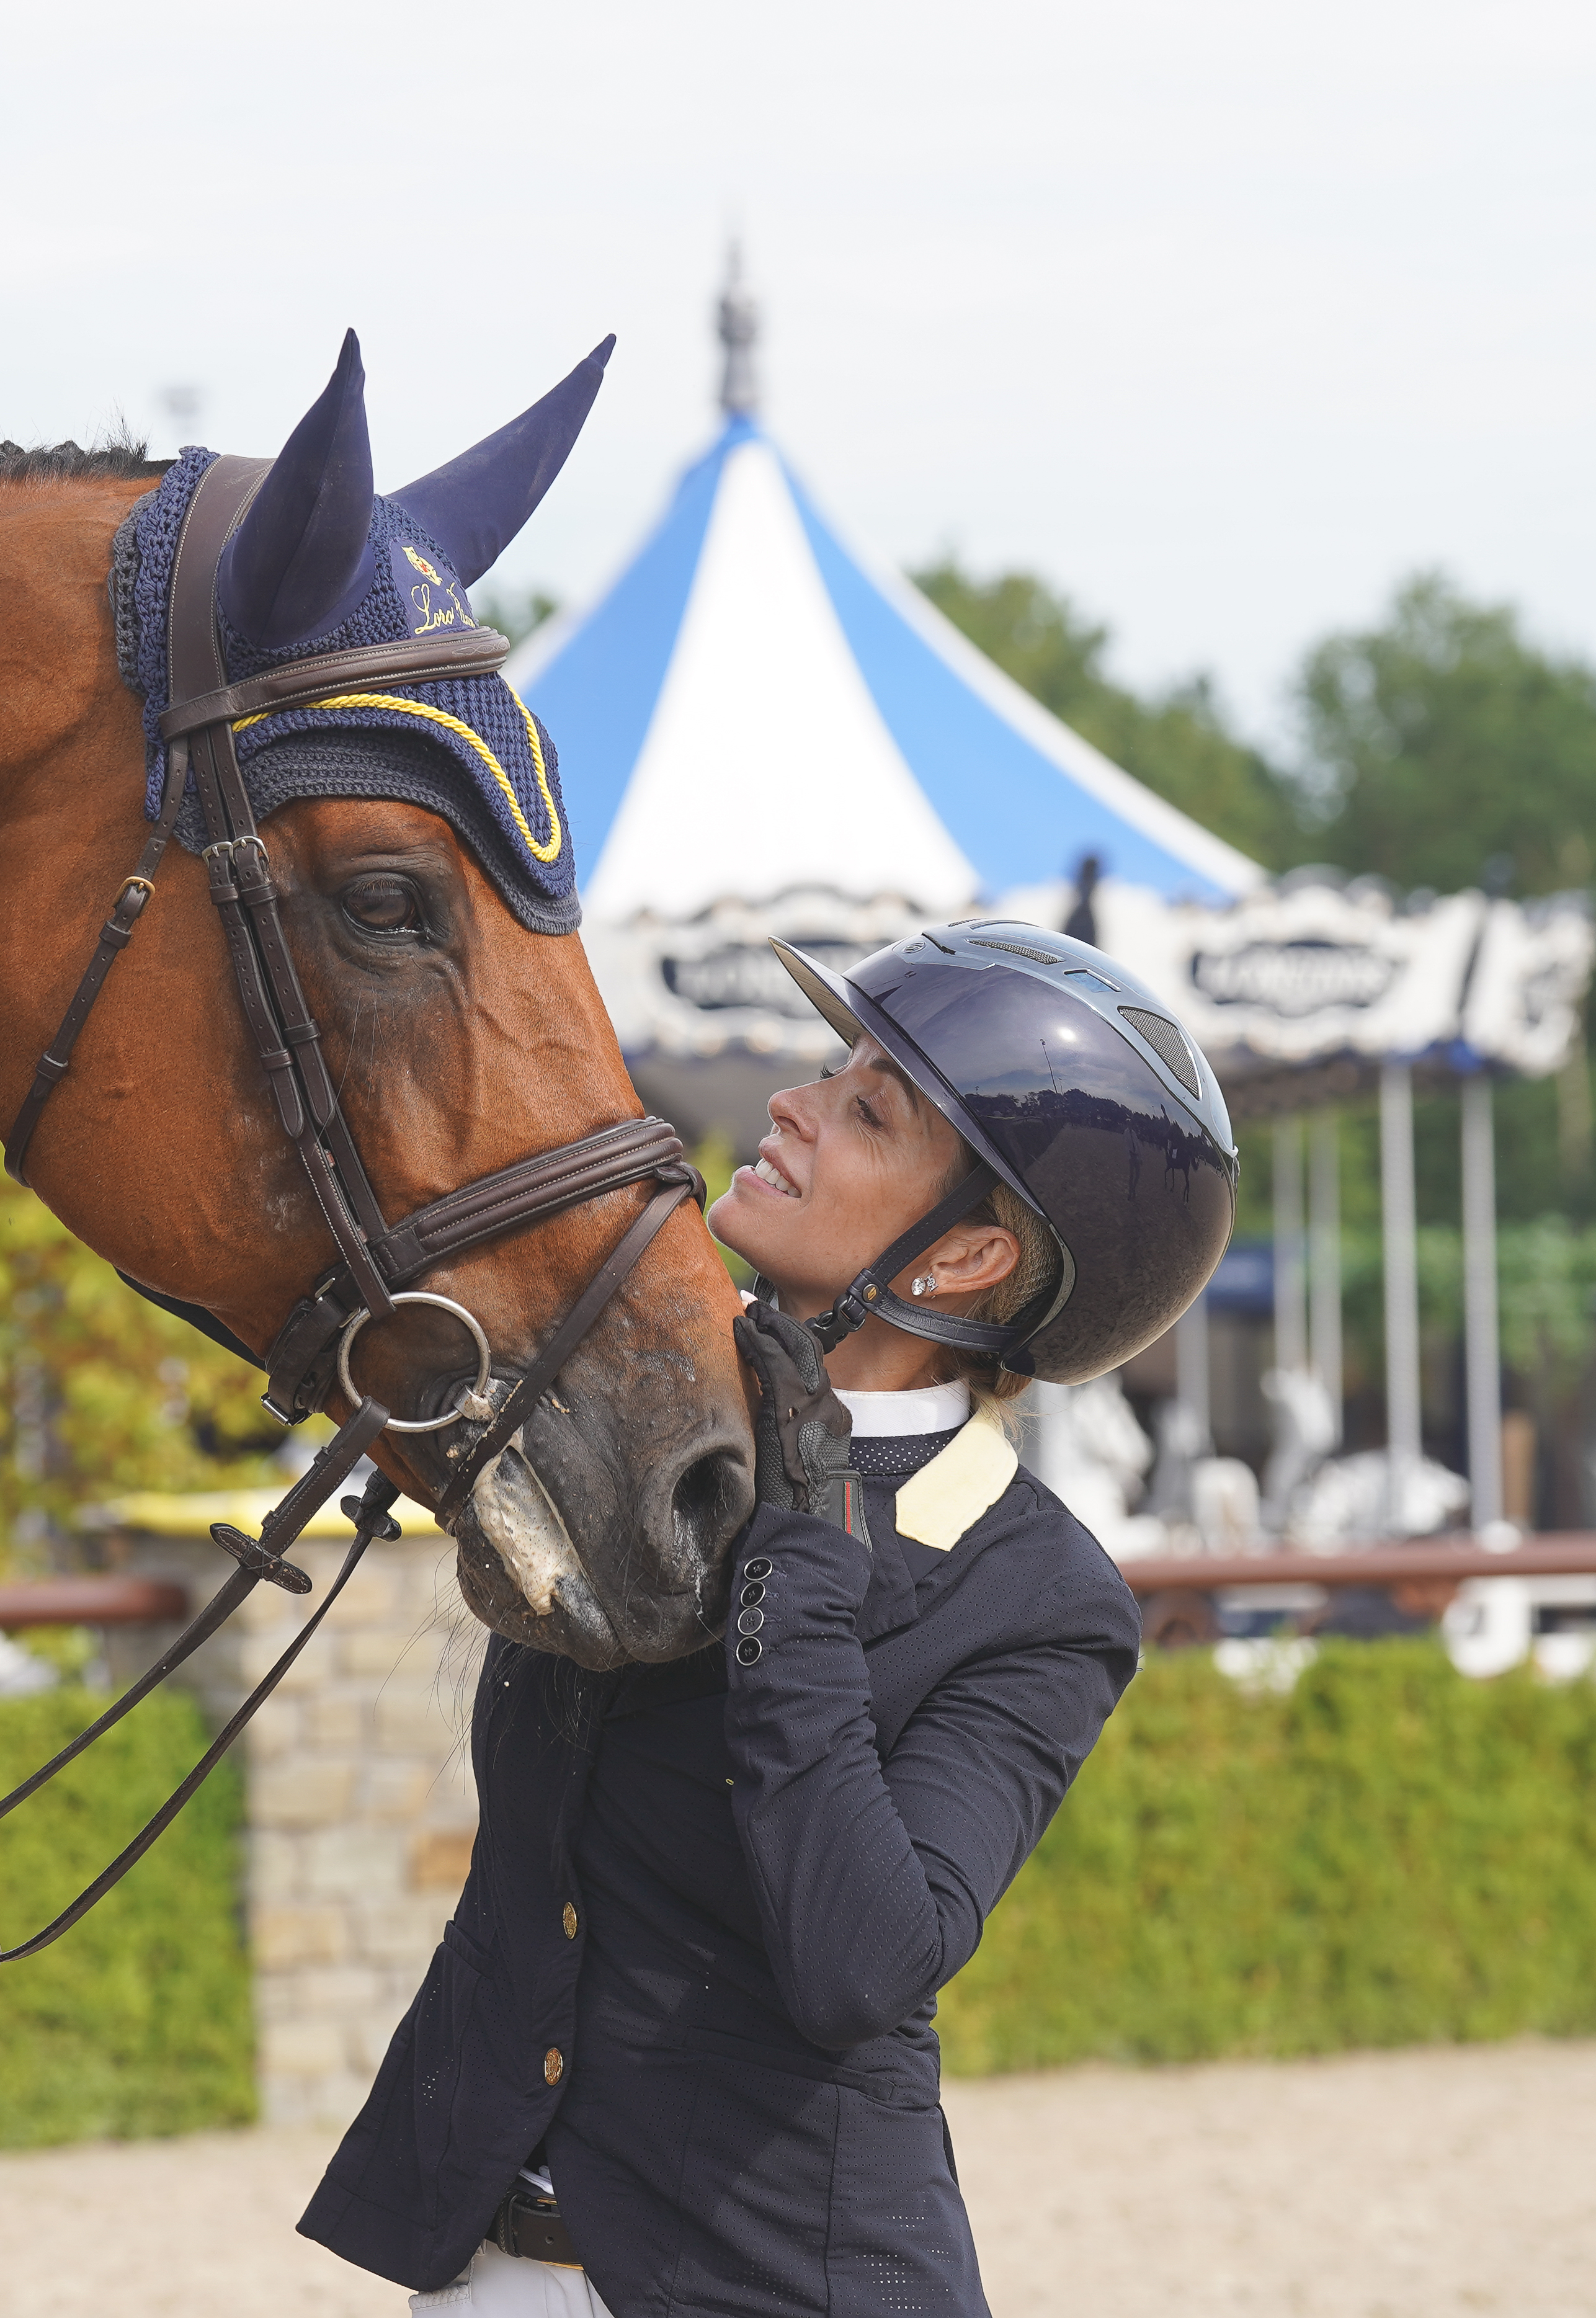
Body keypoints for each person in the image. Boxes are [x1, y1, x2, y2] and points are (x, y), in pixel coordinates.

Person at [300, 921, 1237, 2318]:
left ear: (968, 1253)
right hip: (482, 2259)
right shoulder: (643, 1427)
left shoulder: (1035, 1592)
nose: (792, 1105)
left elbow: (863, 1960)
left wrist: (802, 1551)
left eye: (868, 1109)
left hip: (776, 2281)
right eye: (830, 1067)